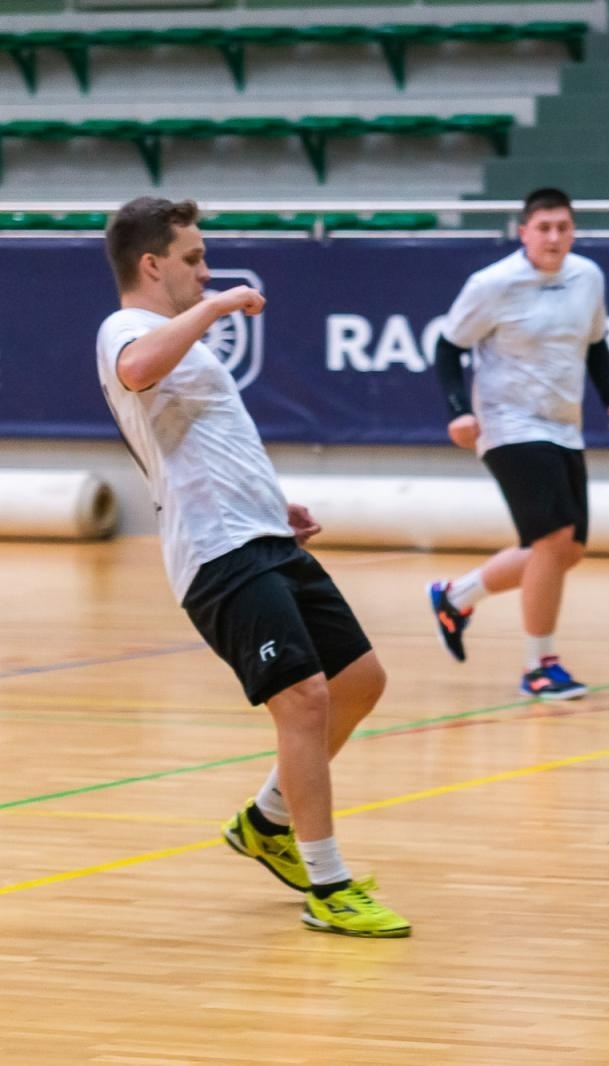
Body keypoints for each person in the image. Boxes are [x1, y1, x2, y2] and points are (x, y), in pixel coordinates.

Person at [96, 196, 408, 937]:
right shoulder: (128, 328)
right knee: (302, 700)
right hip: (217, 553)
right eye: (194, 258)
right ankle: (328, 886)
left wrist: (277, 503)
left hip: (261, 532)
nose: (206, 270)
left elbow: (209, 440)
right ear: (152, 264)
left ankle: (267, 822)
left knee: (359, 680)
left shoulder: (181, 342)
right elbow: (138, 370)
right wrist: (223, 305)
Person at [426, 187, 609, 700]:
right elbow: (448, 348)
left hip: (564, 424)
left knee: (568, 550)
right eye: (544, 228)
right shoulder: (492, 284)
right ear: (524, 233)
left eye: (563, 227)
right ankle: (539, 666)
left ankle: (456, 596)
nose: (555, 237)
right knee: (553, 538)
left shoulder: (588, 277)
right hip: (508, 424)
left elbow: (597, 343)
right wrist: (460, 412)